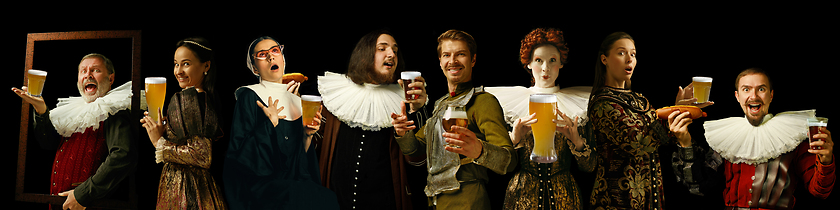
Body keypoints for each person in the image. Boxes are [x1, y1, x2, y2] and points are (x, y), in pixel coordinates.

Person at [671, 68, 835, 209]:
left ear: (771, 95)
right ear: (737, 96)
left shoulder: (792, 136)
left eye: (761, 89)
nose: (754, 96)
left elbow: (820, 192)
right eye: (746, 89)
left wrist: (826, 160)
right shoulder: (728, 137)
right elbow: (699, 186)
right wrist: (685, 142)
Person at [392, 29, 516, 209]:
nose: (453, 60)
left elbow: (509, 161)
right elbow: (415, 151)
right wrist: (403, 132)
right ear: (440, 62)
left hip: (469, 201)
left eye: (461, 54)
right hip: (436, 202)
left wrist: (480, 151)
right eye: (446, 55)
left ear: (473, 60)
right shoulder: (440, 104)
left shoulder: (483, 101)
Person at [583, 32, 706, 210]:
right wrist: (672, 114)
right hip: (617, 200)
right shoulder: (602, 103)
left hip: (651, 197)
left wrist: (679, 109)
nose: (629, 59)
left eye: (633, 54)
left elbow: (666, 139)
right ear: (604, 59)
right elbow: (638, 143)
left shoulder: (640, 99)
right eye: (621, 53)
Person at [317, 29, 428, 210]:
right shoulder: (336, 95)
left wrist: (418, 110)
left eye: (395, 50)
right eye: (382, 49)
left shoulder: (406, 100)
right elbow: (312, 146)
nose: (391, 54)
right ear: (364, 55)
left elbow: (419, 163)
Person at [223, 36, 337, 209]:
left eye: (275, 50)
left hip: (291, 184)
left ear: (283, 58)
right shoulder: (249, 96)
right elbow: (240, 158)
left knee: (327, 197)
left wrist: (307, 136)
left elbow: (298, 163)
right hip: (260, 186)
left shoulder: (296, 101)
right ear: (255, 68)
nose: (271, 57)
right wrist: (270, 123)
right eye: (262, 54)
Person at [484, 28, 593, 210]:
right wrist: (514, 139)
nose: (545, 68)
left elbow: (589, 167)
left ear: (561, 64)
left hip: (565, 198)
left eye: (552, 61)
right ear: (528, 63)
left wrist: (577, 142)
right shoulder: (507, 103)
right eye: (538, 60)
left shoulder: (580, 105)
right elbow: (497, 168)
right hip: (521, 197)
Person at [12, 53, 137, 210]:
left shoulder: (113, 109)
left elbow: (123, 155)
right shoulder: (74, 111)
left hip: (88, 204)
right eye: (83, 71)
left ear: (110, 79)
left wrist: (82, 194)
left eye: (95, 70)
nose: (88, 75)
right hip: (61, 203)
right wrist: (41, 110)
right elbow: (47, 143)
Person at [140, 37, 227, 209]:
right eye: (176, 64)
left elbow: (202, 156)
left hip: (188, 192)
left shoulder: (188, 99)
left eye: (186, 64)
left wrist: (159, 143)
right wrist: (168, 130)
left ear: (206, 66)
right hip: (194, 187)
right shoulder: (205, 96)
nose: (178, 71)